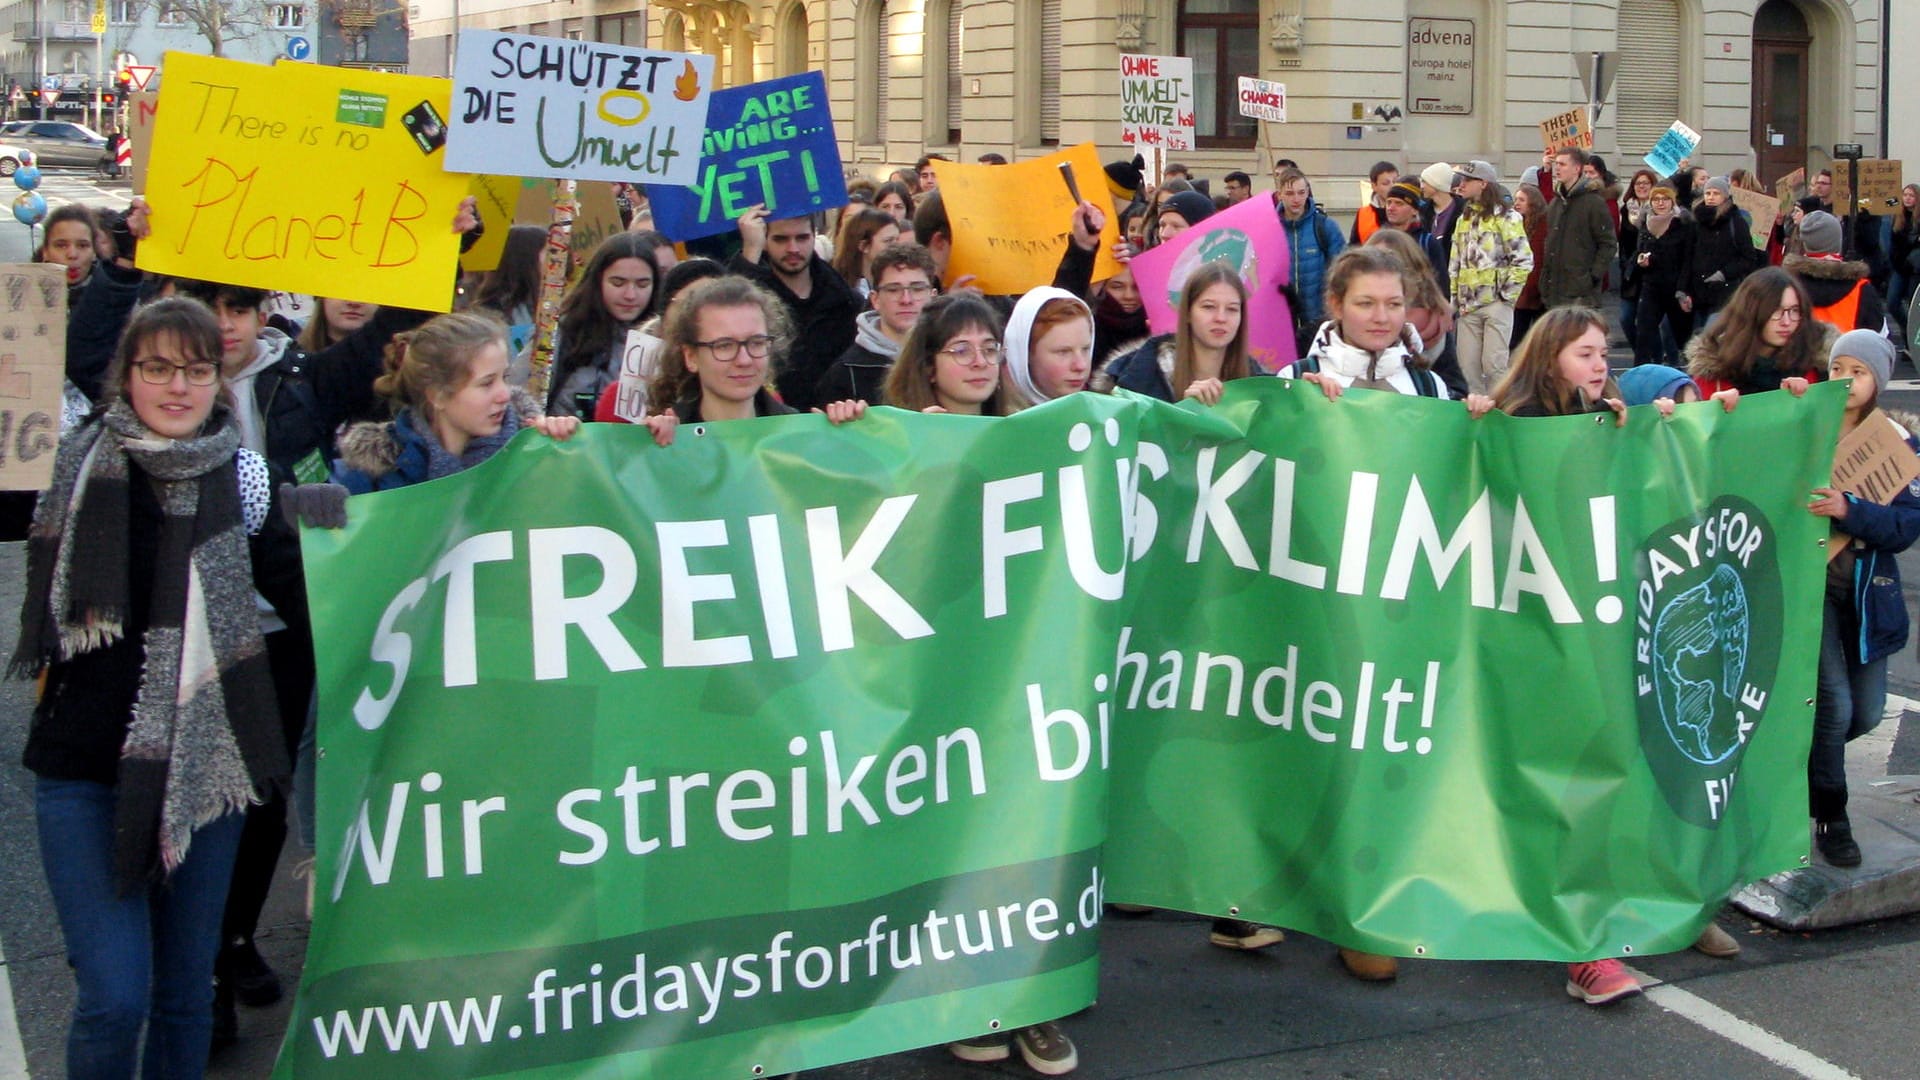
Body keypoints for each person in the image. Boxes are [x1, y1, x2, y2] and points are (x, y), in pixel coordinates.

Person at [13, 297, 297, 1078]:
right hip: (85, 774)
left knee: (185, 995)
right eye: (158, 369)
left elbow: (315, 589)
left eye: (196, 370)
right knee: (114, 998)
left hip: (209, 770)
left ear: (220, 379)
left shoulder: (245, 480)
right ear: (126, 377)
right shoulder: (75, 464)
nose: (177, 388)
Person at [1806, 330, 1919, 868]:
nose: (1845, 382)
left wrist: (1850, 512)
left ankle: (1802, 762)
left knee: (1868, 713)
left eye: (1858, 372)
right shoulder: (1807, 427)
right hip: (1813, 592)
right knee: (1834, 708)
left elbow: (1904, 527)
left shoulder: (1896, 440)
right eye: (1836, 370)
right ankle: (1832, 816)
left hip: (1870, 595)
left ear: (1878, 379)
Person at [334, 312, 582, 493]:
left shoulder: (532, 449)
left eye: (504, 377)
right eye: (486, 383)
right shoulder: (373, 475)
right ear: (437, 395)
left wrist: (567, 453)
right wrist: (319, 507)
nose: (505, 394)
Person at [731, 206, 860, 412]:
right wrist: (750, 252)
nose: (793, 248)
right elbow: (728, 314)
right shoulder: (755, 300)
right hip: (770, 424)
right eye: (781, 239)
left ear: (814, 237)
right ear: (765, 242)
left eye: (802, 238)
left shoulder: (846, 301)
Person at [1285, 246, 1454, 401]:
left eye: (1393, 304)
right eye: (1366, 304)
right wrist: (1301, 410)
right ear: (1337, 305)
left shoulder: (1428, 387)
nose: (1381, 318)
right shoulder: (1294, 379)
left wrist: (1474, 420)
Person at [591, 257, 729, 424]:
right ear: (664, 318)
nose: (703, 316)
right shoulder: (620, 400)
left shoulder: (750, 393)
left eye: (717, 304)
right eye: (690, 303)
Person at [544, 232, 660, 417]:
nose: (630, 294)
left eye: (642, 284)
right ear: (598, 281)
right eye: (618, 283)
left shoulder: (667, 338)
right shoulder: (561, 331)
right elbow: (524, 400)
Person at [1102, 262, 1250, 406]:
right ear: (1187, 312)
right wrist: (1183, 412)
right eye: (1209, 307)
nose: (1221, 318)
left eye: (1232, 309)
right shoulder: (1138, 376)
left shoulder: (1260, 382)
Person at [815, 243, 938, 404]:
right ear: (875, 299)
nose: (906, 300)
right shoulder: (846, 373)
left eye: (917, 289)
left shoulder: (950, 361)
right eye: (894, 289)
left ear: (933, 296)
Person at [1448, 160, 1532, 394]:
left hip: (1495, 303)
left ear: (1483, 183)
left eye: (1466, 180)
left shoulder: (1507, 217)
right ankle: (1476, 418)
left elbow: (1523, 259)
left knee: (1494, 366)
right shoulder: (1463, 218)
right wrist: (1454, 301)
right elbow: (1455, 262)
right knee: (1467, 369)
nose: (1460, 185)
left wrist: (1505, 296)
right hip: (1468, 306)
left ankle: (1501, 412)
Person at [1686, 267, 1826, 400]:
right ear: (1751, 312)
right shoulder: (1714, 371)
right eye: (1776, 310)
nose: (1786, 321)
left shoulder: (1815, 365)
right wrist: (1715, 410)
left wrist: (1806, 401)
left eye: (1795, 310)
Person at [880, 293, 1013, 415]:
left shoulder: (1021, 431)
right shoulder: (897, 434)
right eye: (962, 351)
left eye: (989, 350)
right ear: (928, 365)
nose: (980, 362)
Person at [1276, 167, 1346, 348]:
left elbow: (1342, 273)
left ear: (1308, 192)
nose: (1296, 199)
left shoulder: (1326, 227)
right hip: (1282, 321)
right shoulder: (1271, 229)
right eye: (1290, 193)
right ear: (1280, 195)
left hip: (1319, 320)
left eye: (1301, 192)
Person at [1541, 147, 1618, 311]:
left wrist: (1592, 276)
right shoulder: (1556, 203)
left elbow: (1608, 243)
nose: (1557, 168)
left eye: (1562, 164)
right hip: (1554, 290)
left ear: (1577, 169)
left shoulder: (1593, 202)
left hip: (1581, 294)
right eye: (1556, 164)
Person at [1787, 210, 1886, 335]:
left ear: (1804, 242)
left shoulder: (1786, 285)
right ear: (1838, 242)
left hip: (1799, 353)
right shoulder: (1861, 289)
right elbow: (1878, 339)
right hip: (1846, 352)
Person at [1631, 184, 1695, 366]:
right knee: (1644, 332)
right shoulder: (1646, 223)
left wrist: (1683, 290)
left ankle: (1692, 373)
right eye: (1656, 199)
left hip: (1675, 288)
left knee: (1682, 336)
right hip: (1651, 286)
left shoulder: (1683, 224)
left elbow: (1687, 259)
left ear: (1672, 201)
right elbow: (1640, 251)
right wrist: (1641, 262)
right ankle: (1640, 373)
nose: (1660, 203)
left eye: (1665, 199)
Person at [1686, 177, 1761, 328]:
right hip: (1698, 292)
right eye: (1708, 193)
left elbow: (1748, 257)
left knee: (1714, 334)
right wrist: (1683, 289)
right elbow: (1688, 256)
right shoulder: (1696, 221)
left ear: (1725, 197)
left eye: (1716, 193)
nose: (1711, 197)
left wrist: (1723, 273)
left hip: (1725, 291)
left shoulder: (1736, 222)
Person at [1005, 286, 1096, 407]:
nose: (1081, 365)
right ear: (1026, 354)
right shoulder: (994, 420)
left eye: (1086, 349)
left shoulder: (1104, 417)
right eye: (1063, 352)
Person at [1618, 168, 1660, 331]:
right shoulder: (1626, 209)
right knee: (1626, 319)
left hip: (1651, 271)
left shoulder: (1658, 210)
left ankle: (1647, 355)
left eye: (1646, 183)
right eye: (1638, 183)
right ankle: (1641, 352)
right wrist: (1625, 266)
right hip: (1630, 273)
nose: (1641, 186)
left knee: (1647, 322)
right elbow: (1622, 242)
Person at [829, 206, 901, 299]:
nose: (897, 247)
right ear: (864, 246)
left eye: (897, 240)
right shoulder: (839, 289)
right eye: (888, 241)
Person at [1510, 183, 1550, 347]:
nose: (1517, 203)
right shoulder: (1515, 223)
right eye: (1516, 199)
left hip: (1535, 289)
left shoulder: (1543, 225)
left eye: (1522, 200)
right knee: (1516, 338)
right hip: (1520, 289)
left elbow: (1539, 258)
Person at [1092, 264, 1148, 366]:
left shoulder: (1156, 329)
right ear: (1101, 289)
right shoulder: (1088, 327)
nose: (1129, 296)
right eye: (1117, 287)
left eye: (1137, 287)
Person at [296, 297, 379, 353]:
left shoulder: (389, 369)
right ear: (322, 299)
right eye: (342, 292)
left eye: (367, 293)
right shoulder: (289, 362)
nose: (354, 302)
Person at [1890, 184, 1920, 324]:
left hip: (1915, 267)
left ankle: (1912, 335)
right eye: (1905, 195)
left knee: (1912, 304)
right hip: (1899, 265)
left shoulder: (1917, 219)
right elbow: (1878, 202)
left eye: (1911, 195)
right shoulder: (1897, 212)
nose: (1907, 198)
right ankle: (1906, 329)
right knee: (1892, 303)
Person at [1350, 161, 1399, 245]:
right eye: (1385, 183)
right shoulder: (1363, 213)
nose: (1392, 186)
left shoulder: (1407, 210)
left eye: (1395, 181)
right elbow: (1354, 245)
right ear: (1374, 186)